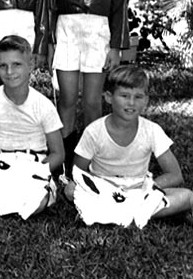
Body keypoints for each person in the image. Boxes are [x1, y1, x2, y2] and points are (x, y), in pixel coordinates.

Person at [50, 0, 129, 160]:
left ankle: (91, 156)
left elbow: (119, 9)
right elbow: (49, 7)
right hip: (67, 31)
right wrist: (49, 42)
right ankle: (63, 155)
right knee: (68, 98)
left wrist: (116, 47)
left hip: (98, 34)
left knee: (93, 101)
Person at [64, 65, 193, 221]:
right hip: (103, 189)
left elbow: (175, 175)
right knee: (71, 190)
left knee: (187, 197)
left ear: (146, 100)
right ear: (108, 97)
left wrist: (149, 188)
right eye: (124, 96)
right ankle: (133, 213)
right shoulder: (94, 131)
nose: (131, 103)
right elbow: (77, 173)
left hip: (139, 191)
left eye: (138, 97)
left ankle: (108, 214)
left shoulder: (152, 130)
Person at [0, 35, 64, 215]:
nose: (9, 71)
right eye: (3, 66)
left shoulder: (43, 105)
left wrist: (36, 169)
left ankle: (18, 202)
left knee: (36, 201)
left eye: (17, 64)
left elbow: (58, 153)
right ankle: (5, 202)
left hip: (34, 165)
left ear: (30, 66)